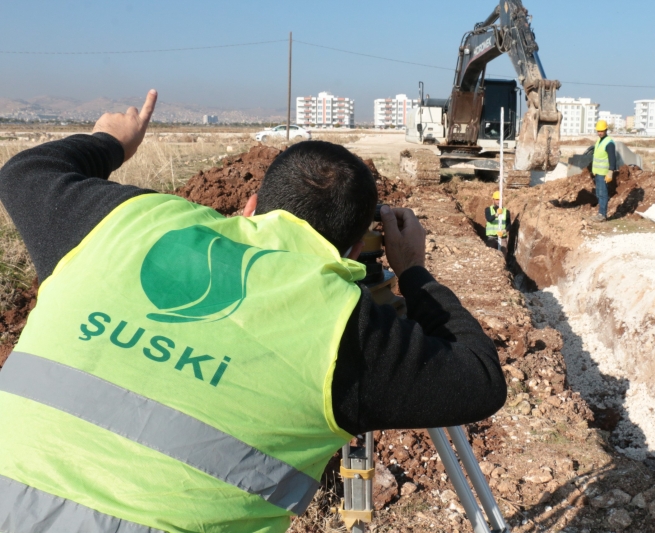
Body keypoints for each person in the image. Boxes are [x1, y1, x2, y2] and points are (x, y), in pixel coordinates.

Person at [0, 90, 506, 533]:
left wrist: (112, 140)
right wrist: (413, 271)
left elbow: (24, 172)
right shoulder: (340, 327)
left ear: (250, 205)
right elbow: (480, 378)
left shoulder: (124, 222)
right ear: (353, 250)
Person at [590, 119, 617, 222]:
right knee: (599, 193)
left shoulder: (609, 143)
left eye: (601, 131)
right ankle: (600, 213)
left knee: (603, 194)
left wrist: (610, 172)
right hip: (597, 173)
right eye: (598, 131)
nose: (600, 133)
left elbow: (612, 159)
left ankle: (602, 215)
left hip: (603, 173)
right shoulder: (599, 141)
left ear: (606, 130)